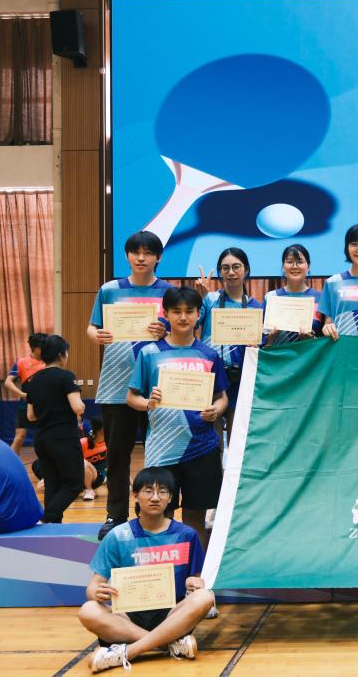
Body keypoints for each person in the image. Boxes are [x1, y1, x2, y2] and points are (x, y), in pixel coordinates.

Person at [80, 467, 214, 673]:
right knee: (88, 610)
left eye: (162, 492)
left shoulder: (187, 535)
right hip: (127, 618)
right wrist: (97, 592)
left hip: (171, 616)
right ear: (135, 495)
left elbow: (197, 580)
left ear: (171, 498)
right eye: (148, 491)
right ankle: (168, 644)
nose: (155, 497)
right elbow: (93, 587)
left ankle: (128, 652)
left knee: (205, 597)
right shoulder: (118, 536)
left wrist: (195, 584)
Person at [127, 286, 228, 548]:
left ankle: (195, 568)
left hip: (201, 448)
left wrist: (216, 410)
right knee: (161, 516)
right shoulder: (149, 353)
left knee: (195, 518)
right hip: (162, 450)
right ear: (166, 314)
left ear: (198, 314)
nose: (183, 317)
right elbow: (132, 397)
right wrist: (148, 403)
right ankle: (164, 566)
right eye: (176, 311)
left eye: (189, 311)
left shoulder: (209, 354)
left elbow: (222, 397)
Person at [88, 231, 173, 540]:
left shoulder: (168, 291)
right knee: (117, 455)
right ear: (127, 256)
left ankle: (158, 514)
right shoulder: (110, 289)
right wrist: (96, 336)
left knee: (160, 456)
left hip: (158, 388)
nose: (141, 258)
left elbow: (180, 329)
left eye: (148, 253)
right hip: (115, 386)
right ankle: (115, 515)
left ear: (158, 257)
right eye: (136, 252)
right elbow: (92, 326)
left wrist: (164, 331)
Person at [194, 247, 263, 445]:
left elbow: (261, 345)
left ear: (246, 269)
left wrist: (256, 345)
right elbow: (191, 326)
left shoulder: (255, 306)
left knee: (237, 440)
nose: (231, 272)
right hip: (211, 376)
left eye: (236, 267)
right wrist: (199, 299)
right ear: (220, 272)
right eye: (225, 268)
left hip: (240, 378)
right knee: (211, 442)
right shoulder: (209, 299)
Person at [25, 335, 86, 523]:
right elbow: (78, 407)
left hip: (41, 439)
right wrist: (80, 407)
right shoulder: (66, 376)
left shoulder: (33, 380)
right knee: (75, 483)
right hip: (63, 438)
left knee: (53, 484)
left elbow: (31, 416)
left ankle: (52, 525)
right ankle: (48, 517)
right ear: (61, 354)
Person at [263, 244, 322, 346]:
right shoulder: (271, 297)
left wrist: (312, 339)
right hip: (278, 355)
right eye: (290, 262)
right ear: (283, 266)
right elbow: (261, 342)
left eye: (300, 262)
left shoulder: (320, 298)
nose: (294, 266)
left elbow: (326, 340)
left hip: (311, 355)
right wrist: (270, 339)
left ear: (308, 266)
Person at [4, 332, 48, 455]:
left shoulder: (49, 362)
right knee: (20, 436)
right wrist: (22, 394)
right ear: (34, 347)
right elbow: (8, 382)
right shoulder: (21, 362)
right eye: (42, 347)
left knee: (45, 436)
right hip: (26, 404)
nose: (45, 349)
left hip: (45, 405)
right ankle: (10, 462)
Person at [81, 417, 107, 501]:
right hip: (79, 478)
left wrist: (131, 485)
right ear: (99, 430)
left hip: (98, 478)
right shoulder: (83, 443)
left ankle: (89, 490)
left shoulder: (110, 443)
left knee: (83, 462)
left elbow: (121, 464)